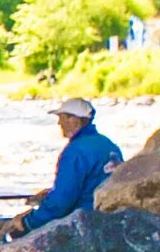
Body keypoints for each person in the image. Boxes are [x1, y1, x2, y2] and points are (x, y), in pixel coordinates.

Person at [20, 97, 120, 232]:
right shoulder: (108, 144)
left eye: (62, 118)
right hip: (109, 217)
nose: (59, 123)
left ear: (75, 120)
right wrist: (51, 193)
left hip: (85, 222)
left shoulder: (75, 151)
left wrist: (28, 222)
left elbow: (60, 203)